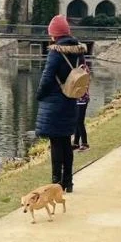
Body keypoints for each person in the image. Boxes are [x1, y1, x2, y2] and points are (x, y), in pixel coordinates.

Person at [35, 15, 87, 193]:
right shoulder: (78, 50)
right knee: (66, 142)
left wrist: (39, 95)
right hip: (71, 100)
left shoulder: (55, 52)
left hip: (55, 103)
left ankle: (56, 182)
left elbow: (47, 78)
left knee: (56, 144)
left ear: (54, 34)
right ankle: (69, 182)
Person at [73, 58, 92, 151]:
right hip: (79, 98)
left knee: (79, 121)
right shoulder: (83, 68)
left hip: (82, 98)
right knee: (77, 120)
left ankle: (85, 143)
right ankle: (76, 143)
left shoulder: (82, 69)